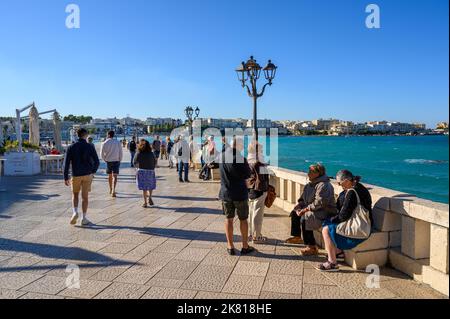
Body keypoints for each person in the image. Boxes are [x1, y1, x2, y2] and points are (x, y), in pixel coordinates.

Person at [318, 170, 373, 272]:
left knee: (326, 229)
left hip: (360, 228)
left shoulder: (352, 192)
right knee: (328, 223)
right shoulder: (359, 187)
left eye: (340, 182)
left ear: (347, 181)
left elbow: (343, 216)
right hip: (364, 223)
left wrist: (331, 219)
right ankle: (338, 252)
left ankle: (332, 263)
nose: (339, 185)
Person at [285, 163, 337, 256]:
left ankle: (312, 247)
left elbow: (320, 203)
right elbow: (302, 199)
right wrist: (299, 206)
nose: (308, 173)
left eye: (311, 172)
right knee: (294, 213)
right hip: (313, 209)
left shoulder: (324, 185)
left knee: (306, 217)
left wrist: (305, 210)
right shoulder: (310, 185)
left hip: (324, 211)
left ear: (318, 173)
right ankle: (297, 236)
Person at [219, 137, 254, 256]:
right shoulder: (240, 158)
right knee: (243, 219)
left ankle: (230, 246)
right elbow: (248, 174)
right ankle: (245, 246)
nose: (243, 147)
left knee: (228, 219)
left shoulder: (222, 156)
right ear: (238, 145)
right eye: (242, 145)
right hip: (239, 194)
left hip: (226, 193)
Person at [63, 128, 100, 226]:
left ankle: (75, 212)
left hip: (76, 174)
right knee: (85, 197)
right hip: (87, 174)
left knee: (75, 194)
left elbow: (66, 163)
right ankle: (84, 218)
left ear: (77, 135)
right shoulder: (90, 146)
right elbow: (97, 161)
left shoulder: (71, 147)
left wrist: (65, 177)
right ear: (86, 135)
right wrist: (93, 172)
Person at [247, 141, 269, 243]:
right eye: (260, 149)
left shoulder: (247, 159)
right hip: (259, 190)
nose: (262, 150)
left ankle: (251, 234)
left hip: (250, 189)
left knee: (251, 213)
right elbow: (262, 177)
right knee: (258, 215)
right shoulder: (259, 161)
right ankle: (257, 236)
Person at [133, 139, 157, 208]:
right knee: (150, 185)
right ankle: (150, 197)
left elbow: (134, 162)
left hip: (142, 171)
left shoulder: (139, 153)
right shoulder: (151, 153)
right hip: (150, 171)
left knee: (144, 188)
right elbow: (154, 162)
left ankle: (145, 202)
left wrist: (137, 168)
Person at [100, 131, 123, 197]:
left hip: (108, 161)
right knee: (115, 176)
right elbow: (120, 152)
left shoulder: (104, 143)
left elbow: (101, 153)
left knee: (109, 176)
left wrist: (105, 159)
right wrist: (120, 159)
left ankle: (110, 189)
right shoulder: (117, 142)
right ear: (113, 135)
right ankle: (113, 190)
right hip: (116, 160)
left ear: (108, 135)